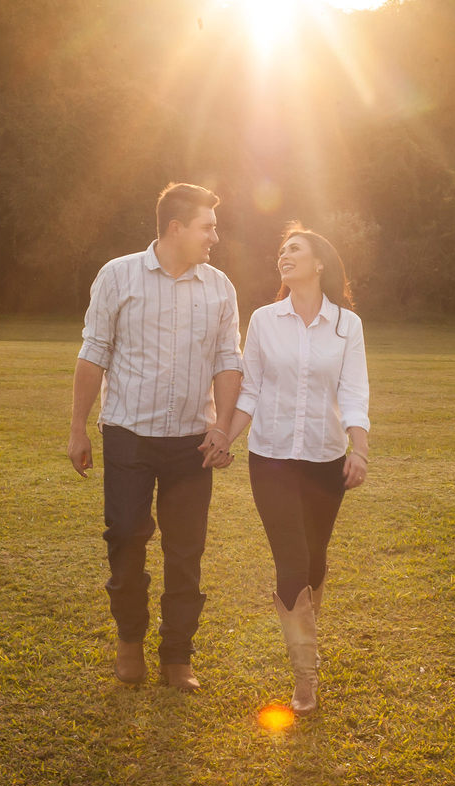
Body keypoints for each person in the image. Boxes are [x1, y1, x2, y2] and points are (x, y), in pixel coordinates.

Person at [68, 183, 241, 692]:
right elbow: (93, 352)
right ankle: (129, 642)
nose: (215, 235)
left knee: (186, 552)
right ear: (175, 228)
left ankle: (177, 657)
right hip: (128, 436)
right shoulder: (118, 275)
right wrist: (78, 427)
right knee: (125, 539)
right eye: (207, 226)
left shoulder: (220, 287)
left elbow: (229, 361)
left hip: (192, 443)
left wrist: (223, 429)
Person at [224, 223, 370, 714]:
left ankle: (305, 638)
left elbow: (352, 392)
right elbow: (251, 388)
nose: (283, 255)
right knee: (291, 560)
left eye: (294, 249)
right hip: (270, 458)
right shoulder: (264, 319)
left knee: (314, 560)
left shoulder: (347, 325)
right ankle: (305, 678)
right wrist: (226, 435)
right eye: (281, 249)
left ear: (320, 263)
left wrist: (360, 449)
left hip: (327, 459)